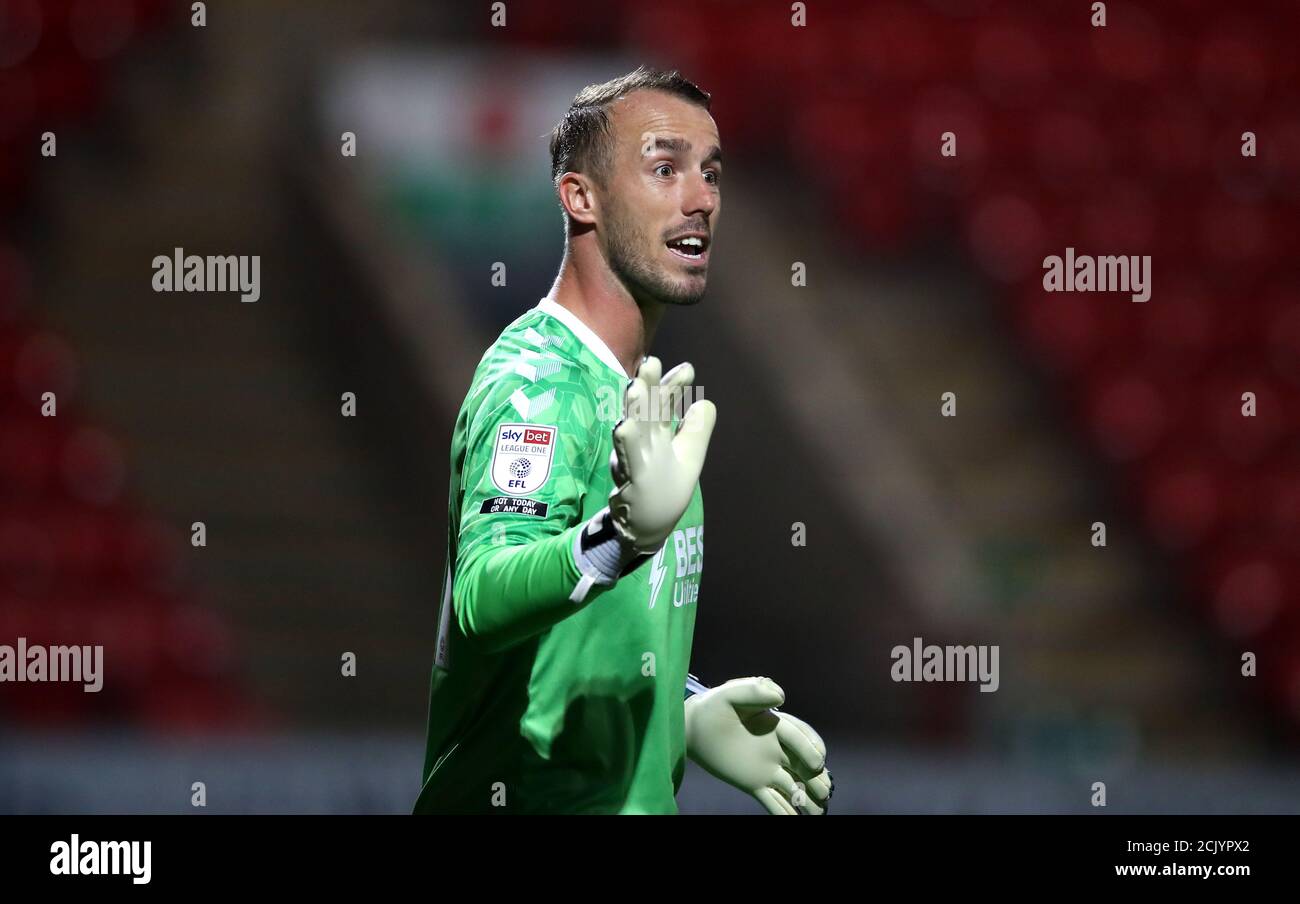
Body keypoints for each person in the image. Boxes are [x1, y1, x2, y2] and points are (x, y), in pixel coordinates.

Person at [415, 67, 831, 814]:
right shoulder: (537, 382)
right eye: (665, 169)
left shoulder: (641, 396)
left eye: (711, 173)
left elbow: (579, 640)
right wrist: (620, 538)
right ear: (581, 197)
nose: (701, 199)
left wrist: (685, 706)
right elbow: (483, 593)